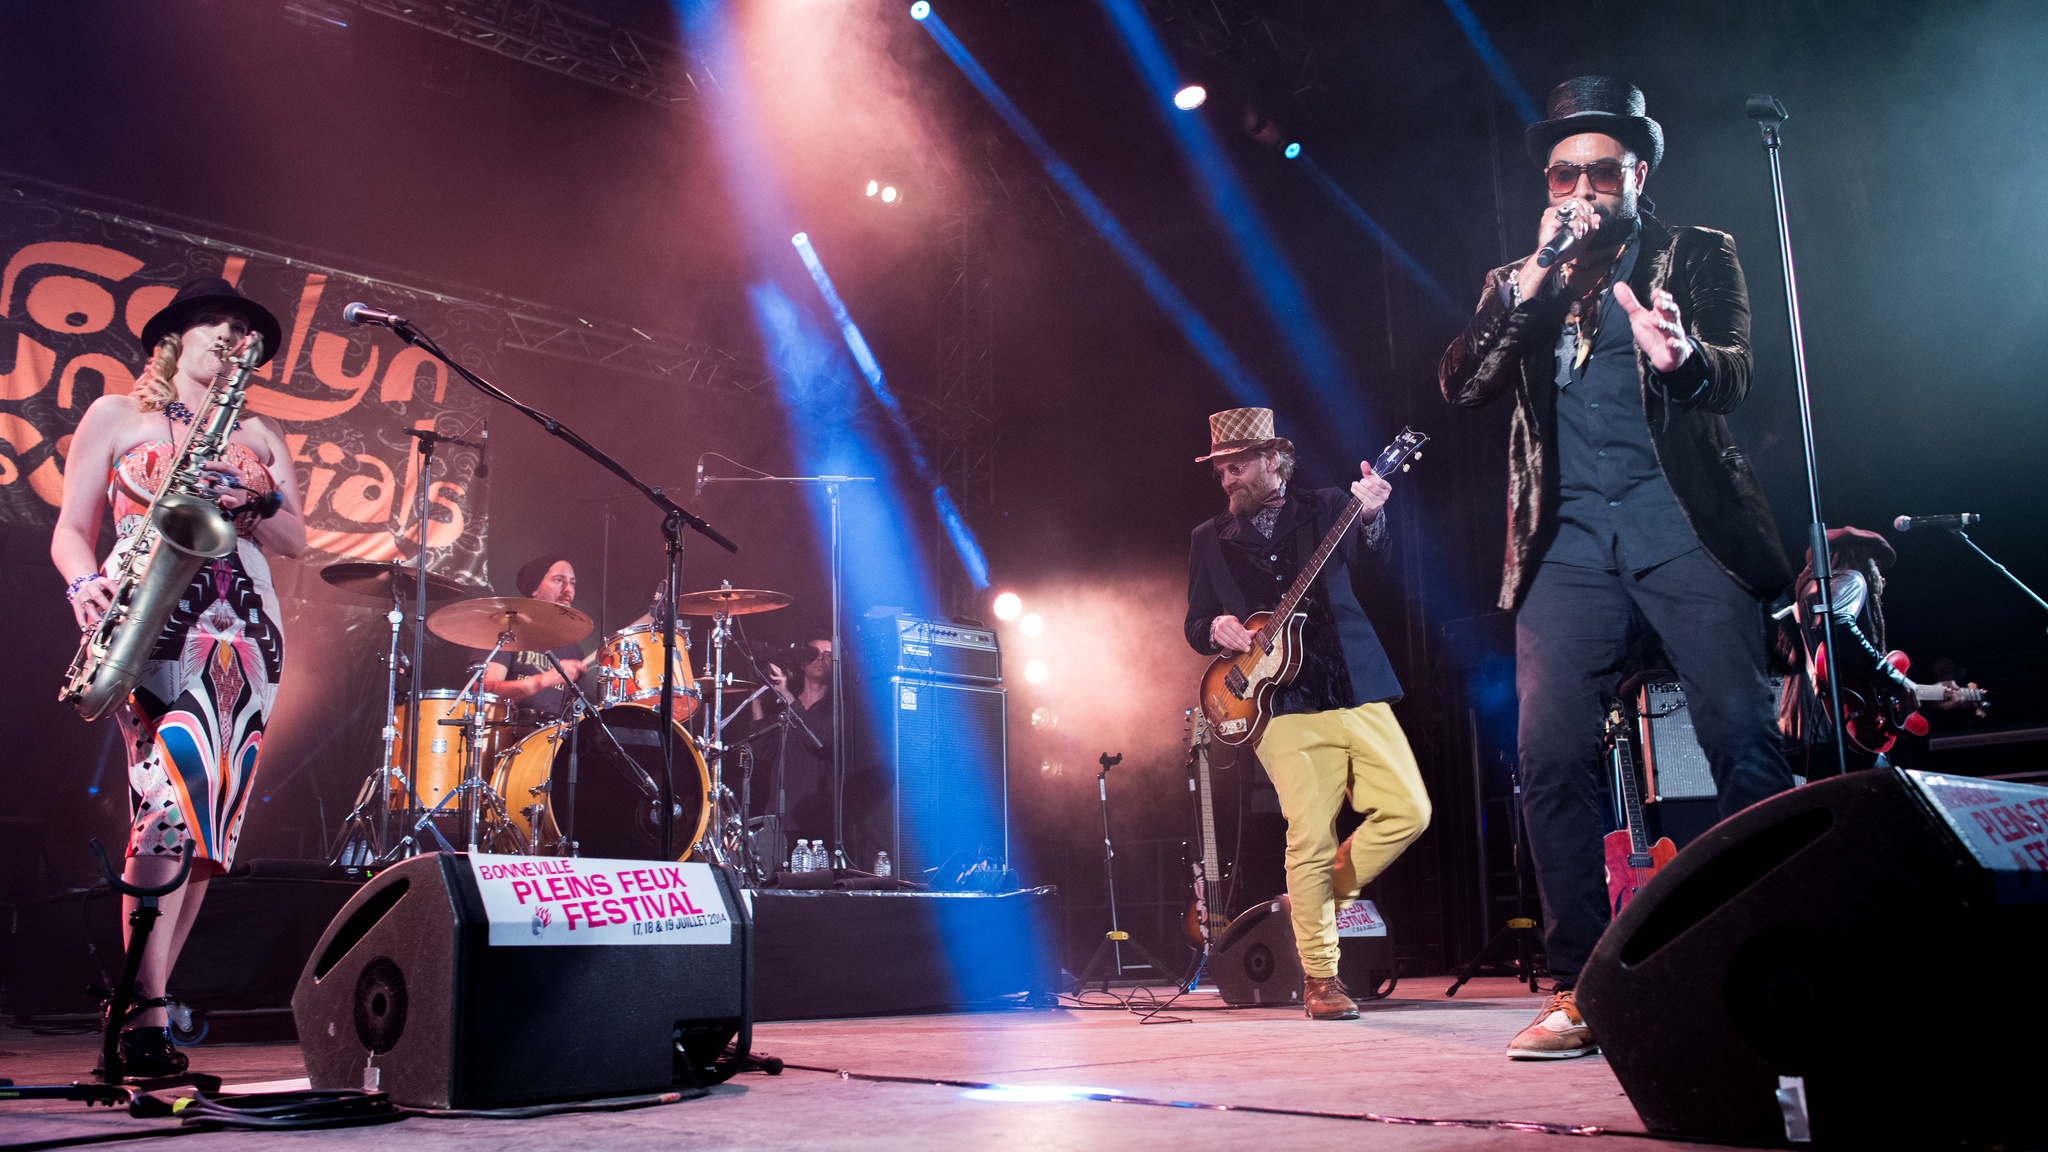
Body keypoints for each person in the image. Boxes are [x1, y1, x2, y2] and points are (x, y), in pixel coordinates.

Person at [1438, 77, 1796, 1059]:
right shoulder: (1520, 278)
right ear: (1548, 186)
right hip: (1565, 545)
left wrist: (1682, 359)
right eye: (1565, 174)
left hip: (1679, 522)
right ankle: (1584, 986)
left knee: (1739, 736)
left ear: (1638, 173)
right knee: (1549, 755)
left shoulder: (1696, 252)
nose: (1584, 188)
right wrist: (1529, 279)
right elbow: (1462, 384)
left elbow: (1736, 368)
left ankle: (1770, 955)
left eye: (1603, 170)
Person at [51, 277, 304, 1076]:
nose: (229, 335)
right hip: (153, 618)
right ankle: (143, 1007)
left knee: (207, 829)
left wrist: (259, 495)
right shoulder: (115, 415)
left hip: (246, 628)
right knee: (165, 807)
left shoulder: (259, 433)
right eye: (213, 322)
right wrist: (82, 582)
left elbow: (297, 541)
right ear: (174, 338)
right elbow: (69, 529)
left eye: (241, 328)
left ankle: (147, 1002)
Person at [1183, 407, 1431, 1021]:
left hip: (1353, 679)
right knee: (1310, 835)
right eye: (1220, 470)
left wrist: (1371, 514)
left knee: (1410, 811)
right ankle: (1321, 977)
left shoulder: (1327, 506)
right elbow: (1195, 622)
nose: (1226, 479)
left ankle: (1313, 898)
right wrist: (1215, 627)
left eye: (1237, 467)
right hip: (1276, 702)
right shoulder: (1207, 537)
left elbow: (1374, 561)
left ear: (1275, 459)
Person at [479, 555, 593, 719]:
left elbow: (575, 713)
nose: (568, 589)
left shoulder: (575, 650)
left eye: (572, 583)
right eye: (558, 580)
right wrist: (545, 680)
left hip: (554, 735)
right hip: (508, 730)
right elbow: (484, 690)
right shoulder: (507, 634)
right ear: (535, 589)